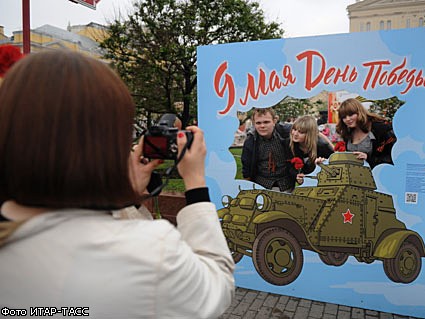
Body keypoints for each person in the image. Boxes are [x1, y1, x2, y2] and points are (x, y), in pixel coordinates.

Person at [0, 50, 234, 318]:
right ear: (105, 142)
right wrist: (195, 182)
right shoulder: (149, 251)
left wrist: (125, 196)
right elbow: (217, 285)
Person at [241, 107, 295, 192]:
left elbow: (308, 132)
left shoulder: (285, 133)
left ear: (274, 121)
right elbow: (246, 166)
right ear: (254, 124)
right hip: (261, 185)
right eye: (258, 123)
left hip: (286, 184)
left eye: (266, 122)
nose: (262, 126)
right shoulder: (251, 141)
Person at [336, 98, 396, 168]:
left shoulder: (380, 129)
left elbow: (393, 156)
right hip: (356, 176)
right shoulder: (347, 133)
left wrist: (368, 158)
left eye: (351, 114)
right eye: (344, 117)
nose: (348, 119)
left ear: (360, 112)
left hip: (378, 175)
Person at [289, 115, 334, 185]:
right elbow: (289, 167)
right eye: (294, 129)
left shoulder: (322, 147)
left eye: (301, 132)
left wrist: (323, 165)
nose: (295, 134)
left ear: (309, 134)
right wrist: (296, 176)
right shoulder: (291, 145)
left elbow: (334, 167)